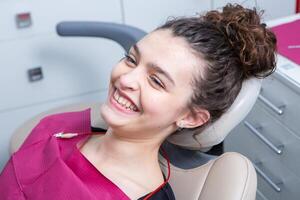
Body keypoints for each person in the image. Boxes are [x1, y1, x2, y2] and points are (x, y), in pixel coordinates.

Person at [0, 4, 276, 200]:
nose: (126, 78)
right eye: (131, 59)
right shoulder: (59, 127)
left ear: (191, 118)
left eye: (157, 81)